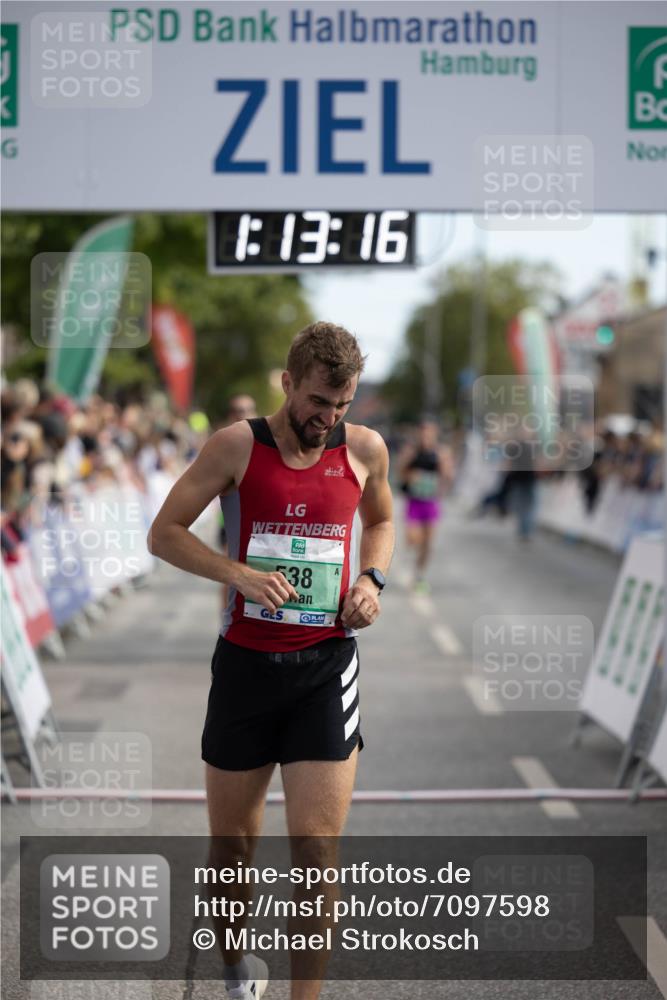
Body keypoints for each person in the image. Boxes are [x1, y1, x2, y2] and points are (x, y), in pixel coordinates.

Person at [148, 322, 394, 1000]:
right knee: (232, 850)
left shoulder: (365, 448)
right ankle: (232, 967)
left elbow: (379, 522)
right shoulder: (235, 446)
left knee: (315, 855)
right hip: (246, 668)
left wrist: (371, 583)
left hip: (324, 666)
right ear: (287, 383)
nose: (329, 418)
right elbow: (163, 534)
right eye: (319, 402)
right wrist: (238, 574)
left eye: (342, 405)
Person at [398, 418, 453, 592]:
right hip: (414, 501)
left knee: (428, 543)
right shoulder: (411, 452)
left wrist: (442, 480)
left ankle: (420, 574)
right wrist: (411, 475)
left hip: (431, 502)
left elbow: (448, 475)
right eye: (422, 433)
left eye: (429, 433)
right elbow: (400, 472)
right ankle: (412, 557)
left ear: (434, 435)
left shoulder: (441, 453)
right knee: (413, 538)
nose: (425, 436)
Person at [217, 394, 258, 613]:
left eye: (246, 409)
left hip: (259, 524)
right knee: (231, 571)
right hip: (230, 521)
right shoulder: (221, 443)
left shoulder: (265, 443)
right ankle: (227, 618)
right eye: (237, 409)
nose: (241, 414)